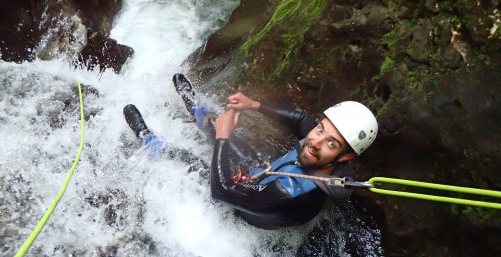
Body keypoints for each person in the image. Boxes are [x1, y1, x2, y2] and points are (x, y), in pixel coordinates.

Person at [124, 74, 378, 230]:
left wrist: (223, 138)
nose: (315, 141)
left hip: (244, 206)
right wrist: (254, 105)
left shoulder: (291, 195)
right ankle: (196, 108)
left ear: (346, 157)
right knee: (219, 127)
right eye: (321, 129)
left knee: (194, 163)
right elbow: (302, 120)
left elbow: (222, 191)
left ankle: (150, 142)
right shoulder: (321, 149)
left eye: (331, 143)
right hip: (261, 173)